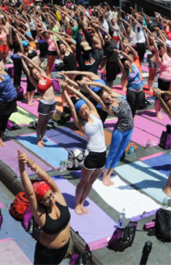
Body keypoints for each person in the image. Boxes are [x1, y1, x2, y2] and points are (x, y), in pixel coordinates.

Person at [18, 150, 71, 264]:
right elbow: (30, 193)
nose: (51, 199)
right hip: (46, 253)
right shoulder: (39, 212)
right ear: (40, 201)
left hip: (63, 248)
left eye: (51, 195)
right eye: (47, 199)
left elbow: (47, 178)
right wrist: (22, 167)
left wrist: (31, 163)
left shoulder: (58, 197)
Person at [61, 81, 106, 215]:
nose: (85, 111)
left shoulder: (95, 114)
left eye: (85, 108)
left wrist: (69, 85)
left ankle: (82, 203)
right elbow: (71, 106)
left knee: (91, 182)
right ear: (79, 114)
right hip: (91, 155)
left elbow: (85, 98)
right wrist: (64, 91)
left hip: (102, 154)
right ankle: (76, 204)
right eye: (82, 111)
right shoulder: (81, 124)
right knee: (83, 181)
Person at [86, 82, 134, 187]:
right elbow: (96, 98)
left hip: (130, 129)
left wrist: (89, 83)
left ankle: (109, 174)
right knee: (112, 153)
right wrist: (87, 89)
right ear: (103, 101)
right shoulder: (108, 108)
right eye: (105, 99)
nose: (108, 98)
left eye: (107, 95)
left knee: (120, 152)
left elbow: (103, 86)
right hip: (120, 131)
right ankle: (104, 176)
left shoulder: (115, 94)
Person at [22, 54, 57, 148]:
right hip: (44, 104)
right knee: (40, 123)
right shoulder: (35, 82)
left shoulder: (44, 74)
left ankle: (42, 139)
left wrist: (26, 57)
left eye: (36, 72)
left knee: (46, 123)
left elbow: (35, 65)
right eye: (34, 74)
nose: (36, 74)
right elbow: (27, 71)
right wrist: (23, 60)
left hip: (53, 102)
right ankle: (38, 139)